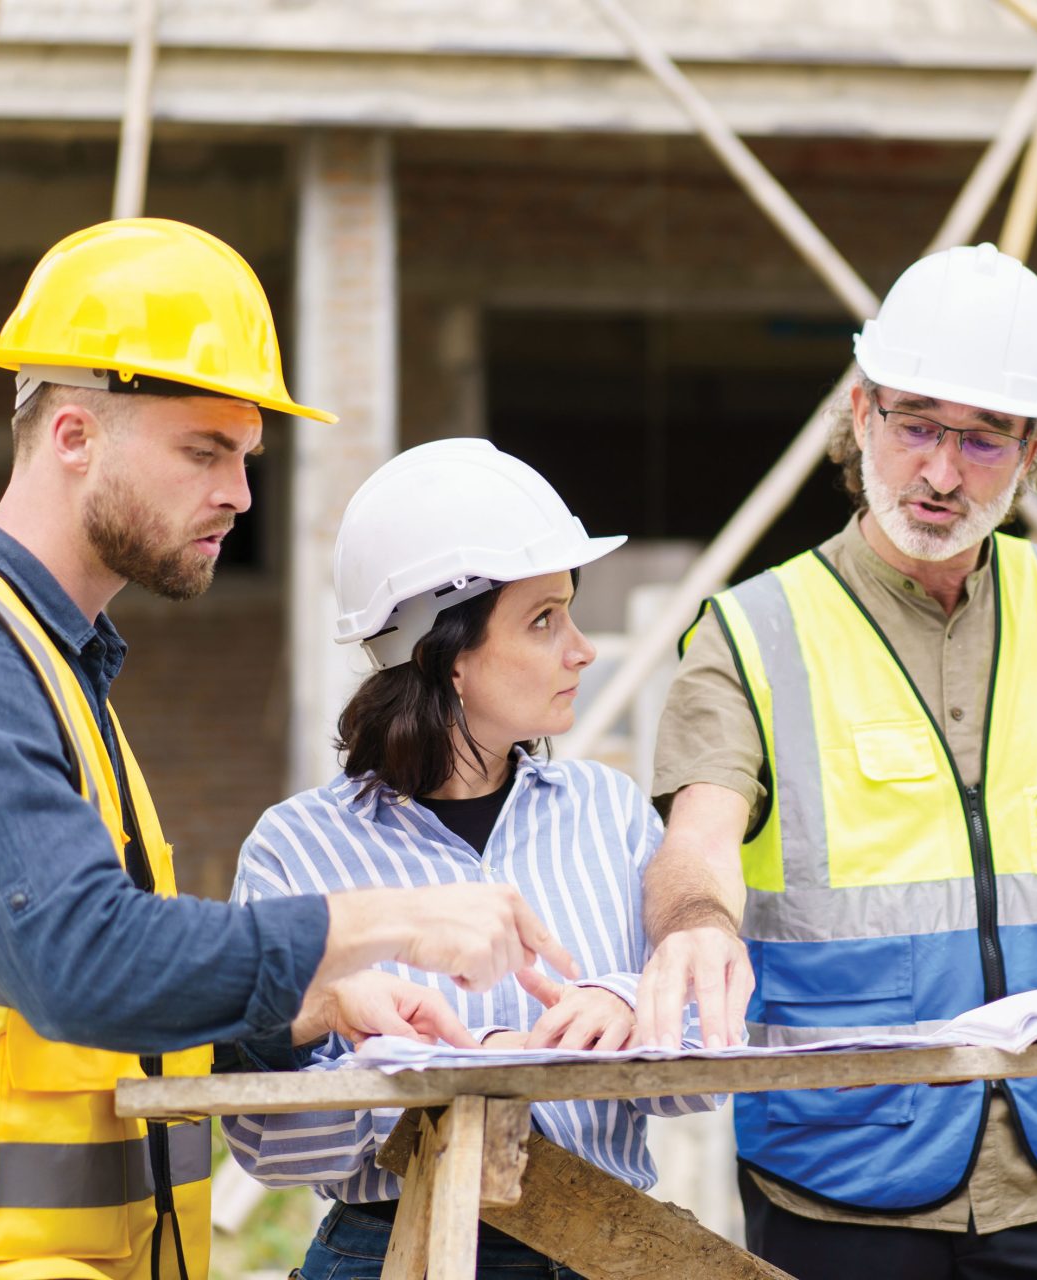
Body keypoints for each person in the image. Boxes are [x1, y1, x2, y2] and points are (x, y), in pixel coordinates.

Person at [0, 220, 573, 1280]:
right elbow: (84, 960)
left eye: (247, 456)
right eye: (203, 450)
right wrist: (386, 924)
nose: (240, 494)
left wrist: (308, 1003)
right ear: (73, 433)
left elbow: (97, 1014)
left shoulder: (53, 672)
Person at [634, 243, 1037, 1280]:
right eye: (917, 426)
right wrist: (693, 923)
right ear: (861, 413)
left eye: (985, 439)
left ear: (1036, 450)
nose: (943, 472)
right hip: (842, 1178)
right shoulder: (753, 630)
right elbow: (701, 835)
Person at [223, 438, 719, 1280]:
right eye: (543, 620)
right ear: (447, 656)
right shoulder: (297, 850)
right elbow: (262, 1133)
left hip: (610, 1244)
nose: (582, 650)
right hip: (391, 1249)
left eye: (570, 611)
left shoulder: (610, 815)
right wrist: (444, 1085)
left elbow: (707, 1057)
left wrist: (630, 1002)